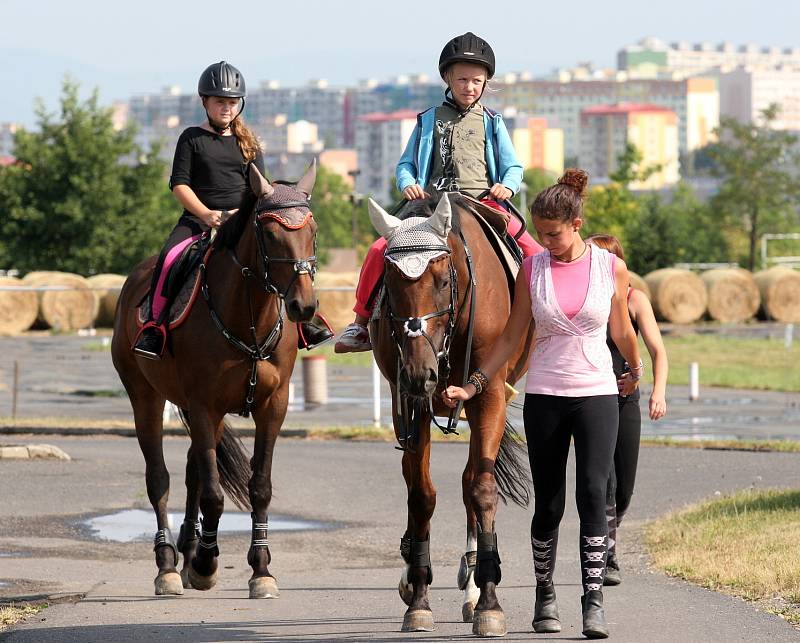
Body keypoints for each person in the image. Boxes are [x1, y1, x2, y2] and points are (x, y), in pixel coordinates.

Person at [442, 169, 643, 639]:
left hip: (597, 394)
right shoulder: (532, 269)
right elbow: (512, 334)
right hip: (547, 397)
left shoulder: (608, 267)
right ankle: (544, 594)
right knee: (549, 502)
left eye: (553, 233)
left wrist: (635, 369)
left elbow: (620, 328)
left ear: (576, 222)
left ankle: (593, 599)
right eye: (541, 232)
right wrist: (473, 386)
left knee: (594, 493)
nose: (546, 241)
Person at [334, 32, 542, 353]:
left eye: (476, 80)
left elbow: (513, 166)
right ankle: (360, 325)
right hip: (430, 207)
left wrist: (508, 185)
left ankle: (544, 319)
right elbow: (405, 164)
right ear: (447, 77)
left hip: (482, 203)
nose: (468, 87)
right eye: (461, 80)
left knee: (532, 250)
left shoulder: (492, 121)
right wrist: (407, 183)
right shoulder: (428, 120)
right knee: (379, 248)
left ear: (486, 82)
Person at [133, 61, 333, 359]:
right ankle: (155, 326)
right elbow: (179, 185)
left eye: (231, 102)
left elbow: (262, 188)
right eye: (219, 102)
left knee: (286, 256)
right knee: (169, 258)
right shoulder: (191, 138)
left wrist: (241, 214)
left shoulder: (249, 142)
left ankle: (305, 323)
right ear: (205, 102)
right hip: (199, 219)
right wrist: (206, 214)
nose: (226, 108)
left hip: (242, 221)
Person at [585, 234, 668, 586]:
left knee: (624, 488)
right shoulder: (585, 300)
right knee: (605, 482)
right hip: (592, 398)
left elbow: (658, 351)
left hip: (626, 400)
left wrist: (657, 392)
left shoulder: (635, 300)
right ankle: (608, 557)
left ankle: (608, 541)